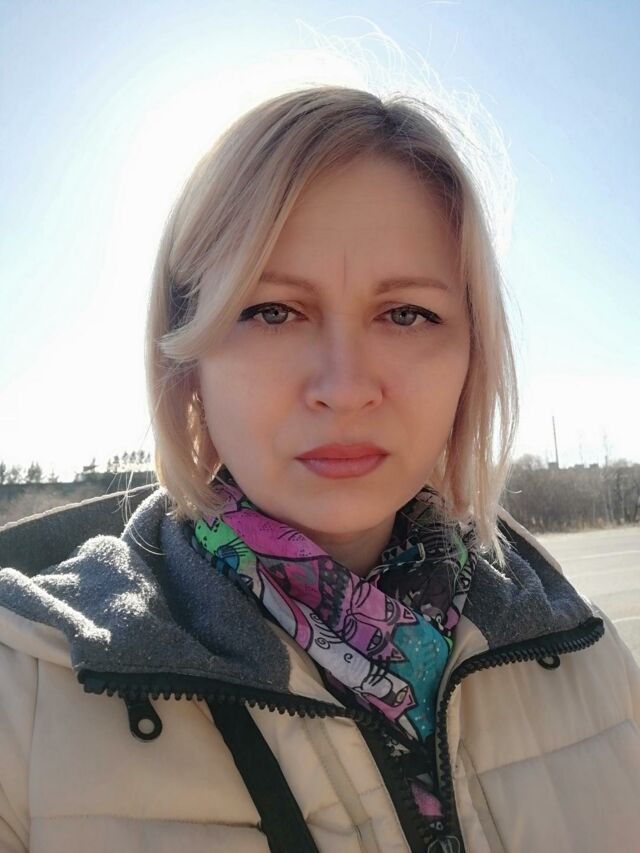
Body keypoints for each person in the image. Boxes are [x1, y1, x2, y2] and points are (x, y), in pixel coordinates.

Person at [0, 85, 638, 853]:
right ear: (186, 359)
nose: (344, 386)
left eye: (406, 314)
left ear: (473, 356)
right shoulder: (26, 704)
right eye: (272, 310)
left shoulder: (591, 660)